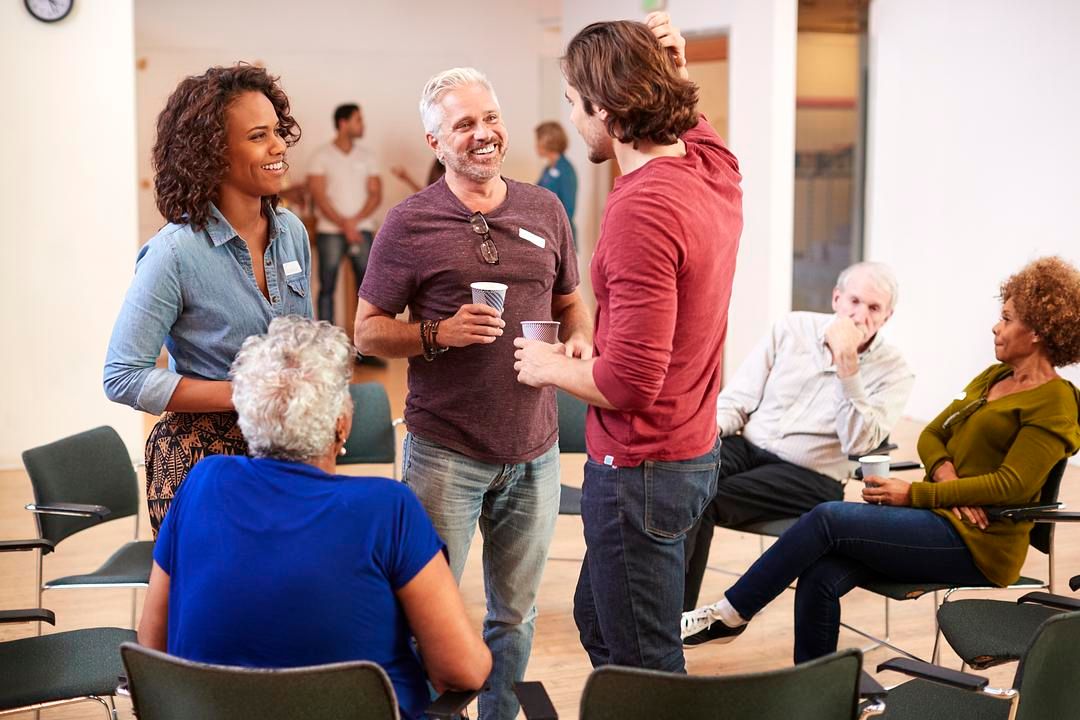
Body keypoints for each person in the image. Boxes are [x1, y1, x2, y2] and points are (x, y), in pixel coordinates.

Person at [681, 256, 1080, 664]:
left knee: (827, 518)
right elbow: (930, 435)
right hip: (940, 518)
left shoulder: (1056, 403)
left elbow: (1009, 485)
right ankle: (820, 692)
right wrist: (944, 478)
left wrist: (917, 494)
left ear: (1036, 331)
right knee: (819, 573)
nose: (996, 326)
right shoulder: (995, 378)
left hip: (978, 543)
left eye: (1007, 318)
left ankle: (729, 615)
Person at [354, 67, 592, 720]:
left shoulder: (545, 209)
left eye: (491, 118)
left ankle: (496, 714)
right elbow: (367, 332)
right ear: (436, 142)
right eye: (464, 125)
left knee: (515, 614)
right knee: (427, 613)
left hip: (535, 449)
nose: (484, 134)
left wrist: (577, 343)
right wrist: (439, 332)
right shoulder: (409, 223)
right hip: (445, 452)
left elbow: (573, 303)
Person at [514, 14, 742, 672]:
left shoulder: (641, 206)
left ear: (606, 109)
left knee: (644, 668)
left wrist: (549, 363)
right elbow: (703, 135)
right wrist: (673, 70)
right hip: (692, 456)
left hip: (641, 469)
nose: (574, 118)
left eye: (573, 105)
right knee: (599, 619)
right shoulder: (713, 174)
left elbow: (630, 386)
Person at [137, 317, 491, 720]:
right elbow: (464, 671)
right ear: (342, 425)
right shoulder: (387, 508)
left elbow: (153, 646)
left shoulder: (202, 482)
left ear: (249, 417)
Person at [104, 64, 311, 534]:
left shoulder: (293, 233)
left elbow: (305, 345)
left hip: (286, 447)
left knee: (288, 600)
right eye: (259, 136)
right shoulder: (174, 254)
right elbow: (121, 376)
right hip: (201, 460)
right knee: (219, 604)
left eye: (277, 131)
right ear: (212, 154)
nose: (279, 146)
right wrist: (246, 394)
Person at [683, 261, 914, 611]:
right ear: (836, 298)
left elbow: (858, 444)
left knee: (708, 499)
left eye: (873, 308)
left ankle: (671, 622)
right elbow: (738, 400)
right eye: (853, 301)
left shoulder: (895, 371)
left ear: (887, 317)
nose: (859, 315)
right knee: (685, 478)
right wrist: (699, 436)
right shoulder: (793, 328)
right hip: (748, 445)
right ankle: (644, 606)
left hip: (810, 475)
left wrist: (847, 366)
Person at [307, 103, 382, 328]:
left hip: (363, 230)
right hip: (329, 232)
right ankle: (327, 347)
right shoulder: (320, 156)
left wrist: (354, 222)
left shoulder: (368, 157)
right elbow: (319, 197)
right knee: (327, 288)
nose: (363, 125)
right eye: (358, 119)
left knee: (368, 291)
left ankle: (365, 347)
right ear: (343, 123)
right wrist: (344, 224)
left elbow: (376, 195)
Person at [534, 121, 578, 246]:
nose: (535, 145)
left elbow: (568, 210)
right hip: (547, 235)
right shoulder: (548, 169)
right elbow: (535, 194)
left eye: (538, 140)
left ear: (547, 141)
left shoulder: (566, 170)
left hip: (561, 238)